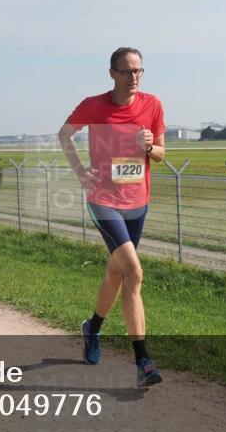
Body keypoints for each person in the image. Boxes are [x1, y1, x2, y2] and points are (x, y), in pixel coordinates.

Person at [58, 47, 165, 387]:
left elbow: (161, 155)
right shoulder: (94, 105)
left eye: (139, 71)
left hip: (138, 201)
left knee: (117, 273)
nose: (134, 77)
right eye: (127, 71)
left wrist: (150, 147)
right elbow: (64, 135)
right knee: (134, 271)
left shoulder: (153, 105)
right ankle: (143, 361)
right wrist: (79, 171)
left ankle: (93, 328)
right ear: (113, 74)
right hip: (103, 198)